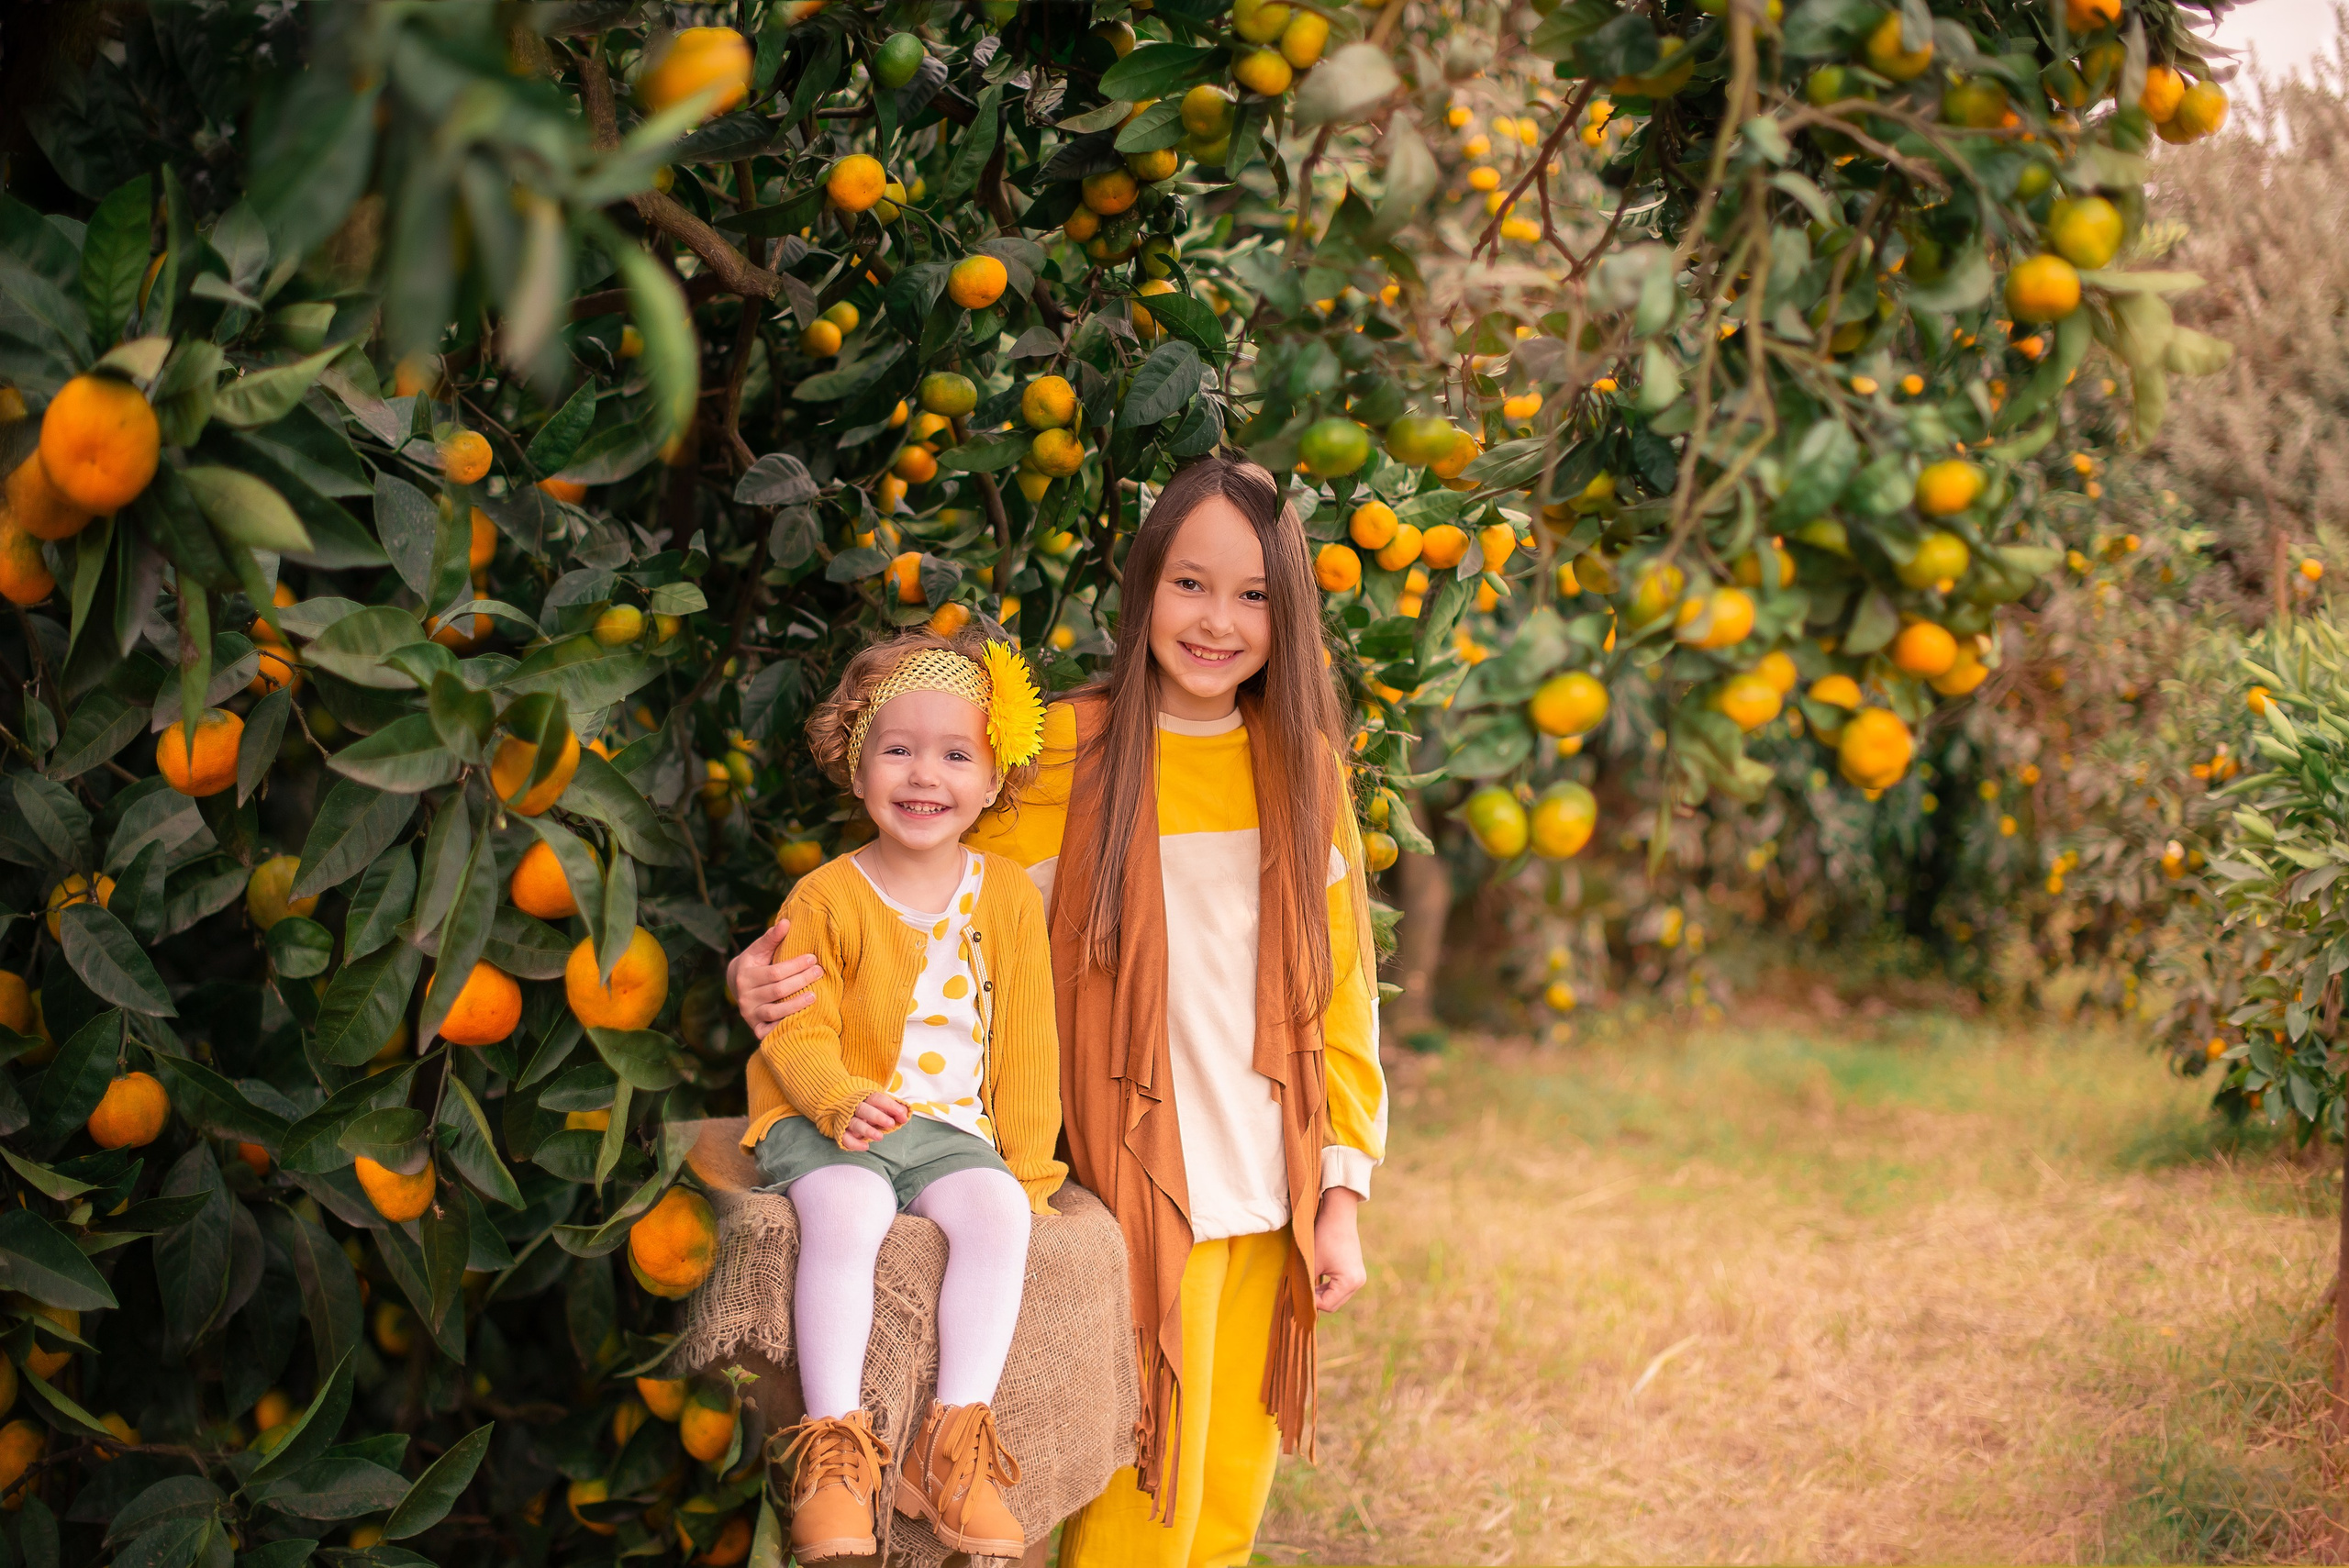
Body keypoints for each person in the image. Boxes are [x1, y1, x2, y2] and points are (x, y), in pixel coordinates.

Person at [731, 454, 1386, 1568]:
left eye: (1253, 594)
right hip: (1131, 1186)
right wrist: (768, 975)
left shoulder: (1303, 768)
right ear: (1143, 590)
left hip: (1272, 1184)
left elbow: (1345, 998)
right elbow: (904, 890)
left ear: (1290, 609)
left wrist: (1341, 1192)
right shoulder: (1059, 759)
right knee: (1140, 1499)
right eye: (1190, 583)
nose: (1217, 620)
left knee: (1224, 1505)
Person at [742, 627, 1062, 1563]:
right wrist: (837, 1098)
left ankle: (952, 1441)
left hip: (946, 1131)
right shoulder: (828, 893)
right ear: (856, 762)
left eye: (956, 753)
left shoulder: (1003, 894)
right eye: (898, 748)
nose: (925, 774)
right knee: (848, 1205)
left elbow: (1027, 1041)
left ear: (995, 776)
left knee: (998, 1209)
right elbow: (794, 1026)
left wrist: (1029, 1161)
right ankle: (834, 1450)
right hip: (824, 1118)